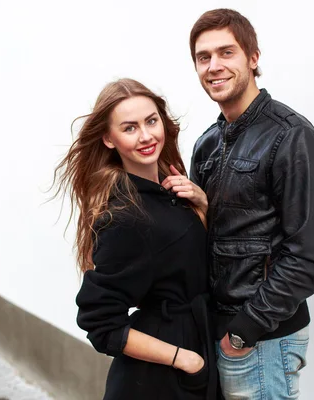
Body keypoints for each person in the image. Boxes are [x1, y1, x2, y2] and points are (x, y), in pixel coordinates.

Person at [186, 8, 314, 399]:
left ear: (253, 58)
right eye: (203, 57)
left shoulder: (292, 137)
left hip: (260, 339)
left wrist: (243, 333)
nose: (214, 66)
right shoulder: (207, 144)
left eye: (226, 53)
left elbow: (307, 256)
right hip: (218, 334)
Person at [52, 78, 217, 399]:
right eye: (129, 128)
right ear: (108, 138)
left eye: (151, 121)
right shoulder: (124, 216)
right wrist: (185, 359)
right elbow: (100, 322)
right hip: (160, 380)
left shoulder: (170, 190)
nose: (145, 136)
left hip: (195, 350)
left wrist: (203, 207)